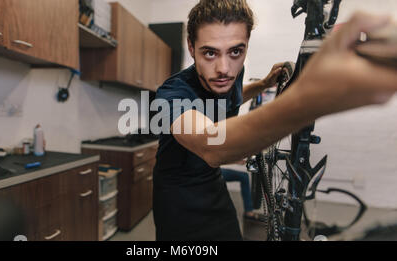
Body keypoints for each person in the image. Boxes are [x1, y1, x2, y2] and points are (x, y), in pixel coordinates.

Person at [152, 0, 397, 241]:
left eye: (236, 51)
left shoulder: (231, 74)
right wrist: (310, 99)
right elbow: (210, 145)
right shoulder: (173, 93)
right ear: (191, 47)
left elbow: (229, 100)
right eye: (209, 53)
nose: (224, 68)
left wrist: (262, 84)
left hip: (213, 184)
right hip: (177, 197)